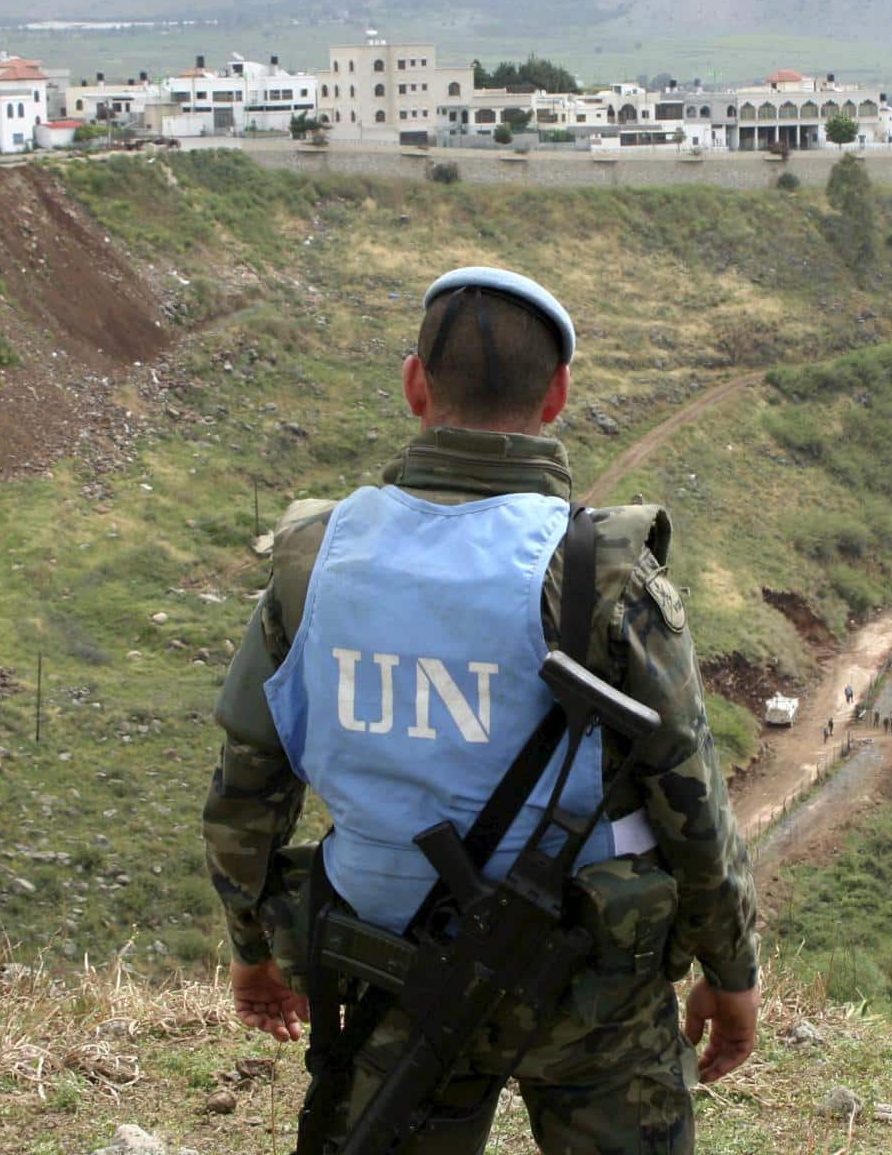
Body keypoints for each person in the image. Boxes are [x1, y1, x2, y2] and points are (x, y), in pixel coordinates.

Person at [203, 266, 761, 1154]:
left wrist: (252, 942)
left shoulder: (314, 557)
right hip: (589, 980)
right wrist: (732, 969)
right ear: (558, 397)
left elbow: (246, 785)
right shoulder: (601, 570)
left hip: (384, 953)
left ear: (415, 384)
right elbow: (690, 797)